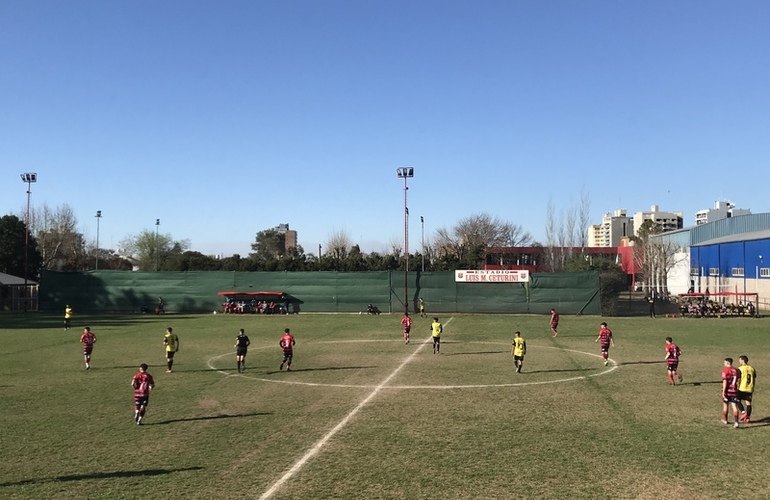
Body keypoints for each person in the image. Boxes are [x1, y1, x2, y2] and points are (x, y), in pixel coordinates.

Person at [721, 358, 742, 428]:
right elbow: (738, 380)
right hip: (734, 390)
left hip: (727, 391)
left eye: (724, 362)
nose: (724, 364)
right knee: (734, 406)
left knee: (725, 405)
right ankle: (736, 422)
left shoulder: (725, 370)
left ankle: (725, 420)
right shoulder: (736, 370)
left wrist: (723, 391)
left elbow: (725, 382)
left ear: (727, 363)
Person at [737, 355, 757, 423]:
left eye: (739, 360)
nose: (739, 361)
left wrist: (737, 385)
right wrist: (753, 387)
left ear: (743, 360)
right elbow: (754, 379)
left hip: (742, 388)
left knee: (737, 400)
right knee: (748, 403)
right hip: (750, 388)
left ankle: (743, 413)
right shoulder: (752, 368)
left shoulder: (740, 369)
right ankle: (748, 418)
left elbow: (739, 379)